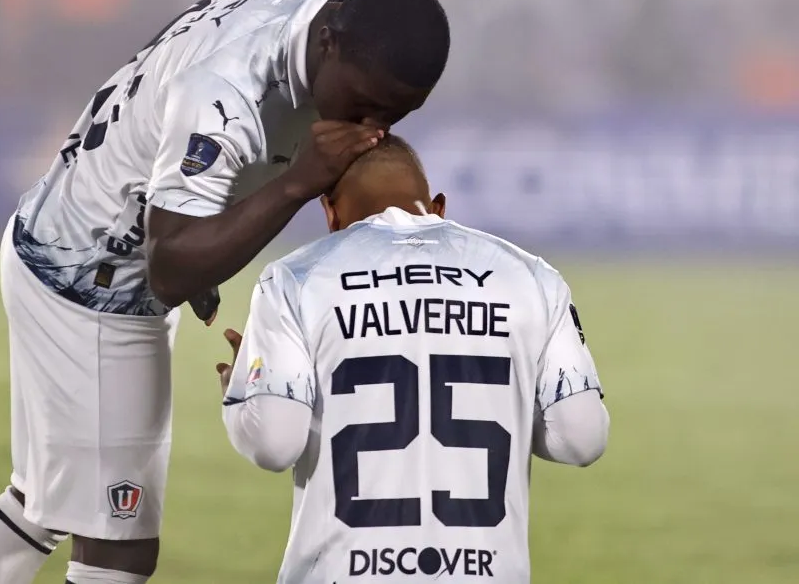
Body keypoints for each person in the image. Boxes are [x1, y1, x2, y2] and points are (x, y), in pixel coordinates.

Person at [0, 0, 451, 584]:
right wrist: (294, 186)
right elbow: (171, 269)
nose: (374, 126)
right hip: (98, 279)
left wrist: (219, 223)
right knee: (118, 543)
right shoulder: (224, 93)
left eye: (399, 113)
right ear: (327, 42)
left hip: (74, 227)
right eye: (367, 102)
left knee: (42, 503)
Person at [219, 134, 609, 584]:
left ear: (329, 212)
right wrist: (509, 403)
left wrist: (242, 395)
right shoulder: (532, 277)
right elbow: (582, 439)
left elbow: (273, 444)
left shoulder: (295, 279)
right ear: (439, 207)